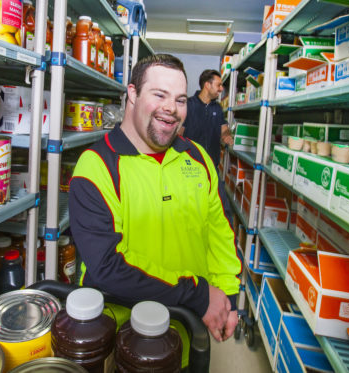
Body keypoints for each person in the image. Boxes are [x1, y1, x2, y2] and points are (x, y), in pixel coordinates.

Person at [68, 54, 242, 344]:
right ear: (133, 94)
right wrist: (199, 295)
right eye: (159, 94)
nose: (171, 109)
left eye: (181, 99)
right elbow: (106, 267)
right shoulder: (97, 166)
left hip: (190, 334)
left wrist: (229, 299)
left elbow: (220, 235)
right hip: (120, 339)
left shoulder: (198, 159)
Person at [181, 69, 233, 168]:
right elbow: (179, 133)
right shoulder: (188, 105)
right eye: (219, 85)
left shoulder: (217, 107)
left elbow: (224, 129)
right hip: (190, 164)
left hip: (211, 164)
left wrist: (227, 136)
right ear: (207, 85)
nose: (221, 89)